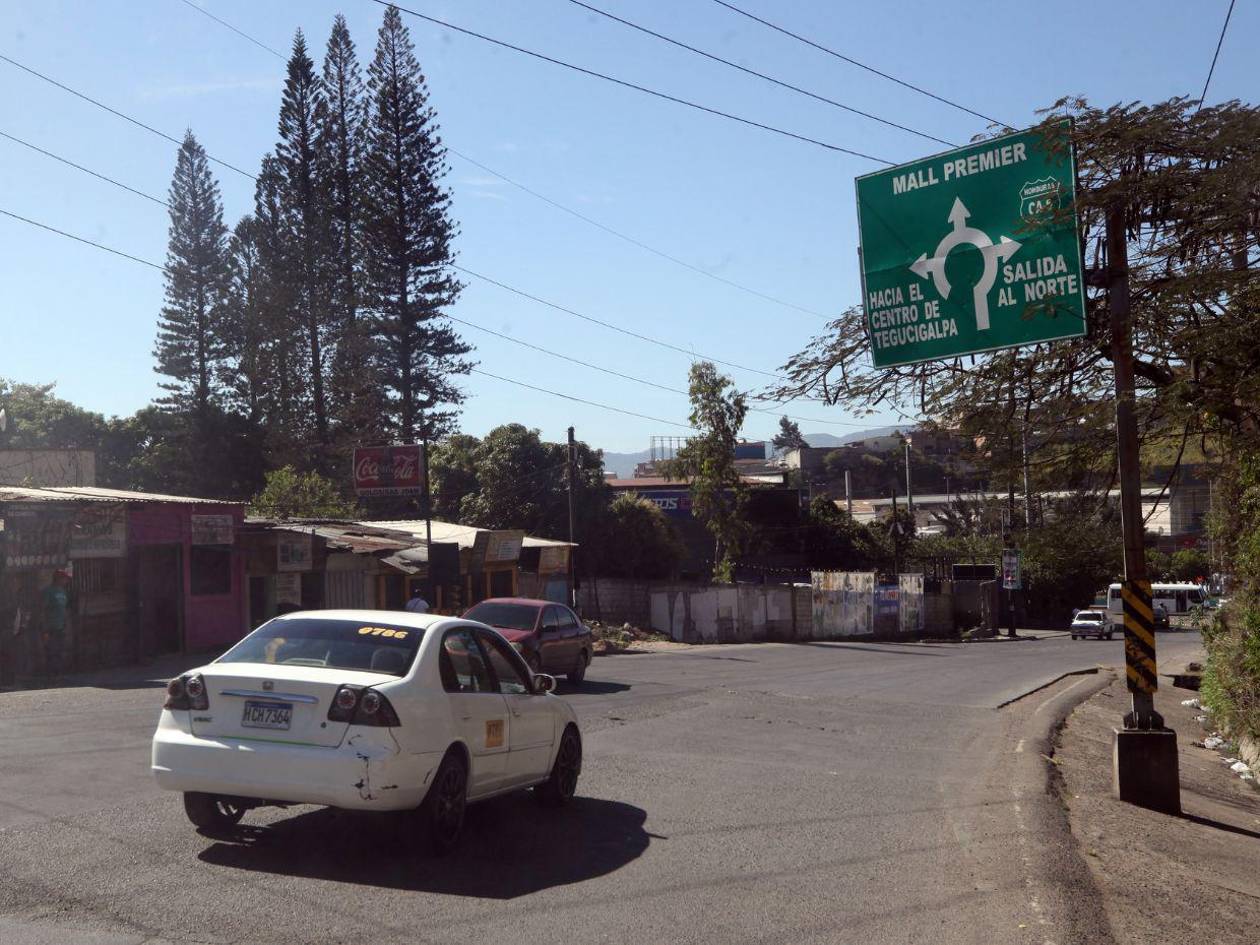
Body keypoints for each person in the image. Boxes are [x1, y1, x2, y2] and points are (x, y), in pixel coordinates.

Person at [40, 569, 73, 676]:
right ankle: (50, 674)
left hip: (61, 627)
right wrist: (44, 628)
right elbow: (42, 609)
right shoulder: (48, 591)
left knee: (60, 651)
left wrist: (66, 624)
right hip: (50, 628)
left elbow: (64, 609)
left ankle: (58, 673)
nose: (66, 580)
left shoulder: (63, 592)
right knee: (51, 651)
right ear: (58, 579)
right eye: (64, 578)